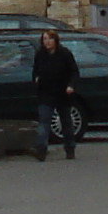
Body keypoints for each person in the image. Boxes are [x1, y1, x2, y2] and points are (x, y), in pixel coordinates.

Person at [30, 30, 80, 161]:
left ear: (55, 40)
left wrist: (71, 86)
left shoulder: (64, 54)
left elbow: (74, 72)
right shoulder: (40, 55)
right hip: (46, 92)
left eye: (49, 39)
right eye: (44, 39)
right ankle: (41, 150)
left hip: (62, 92)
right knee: (44, 122)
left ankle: (70, 148)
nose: (47, 42)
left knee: (66, 122)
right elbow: (35, 70)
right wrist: (36, 78)